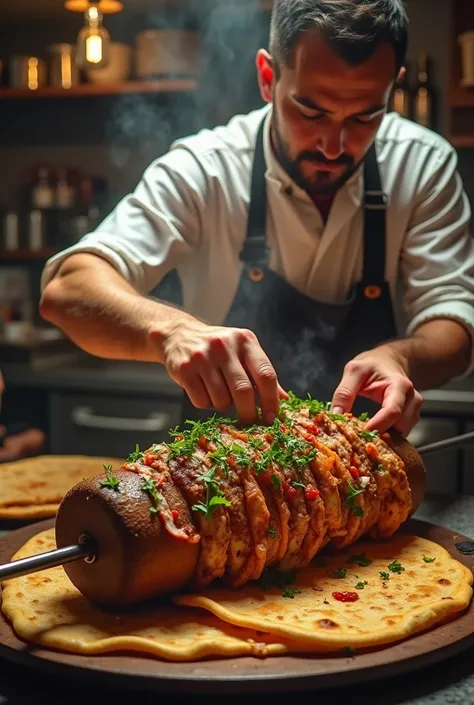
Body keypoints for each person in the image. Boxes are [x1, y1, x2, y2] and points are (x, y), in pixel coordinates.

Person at [39, 0, 474, 438]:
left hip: (367, 468)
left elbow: (454, 323)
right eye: (311, 111)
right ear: (268, 78)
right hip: (223, 476)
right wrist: (171, 332)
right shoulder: (205, 169)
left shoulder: (422, 165)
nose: (333, 146)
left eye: (365, 116)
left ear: (392, 86)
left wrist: (402, 358)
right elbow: (67, 289)